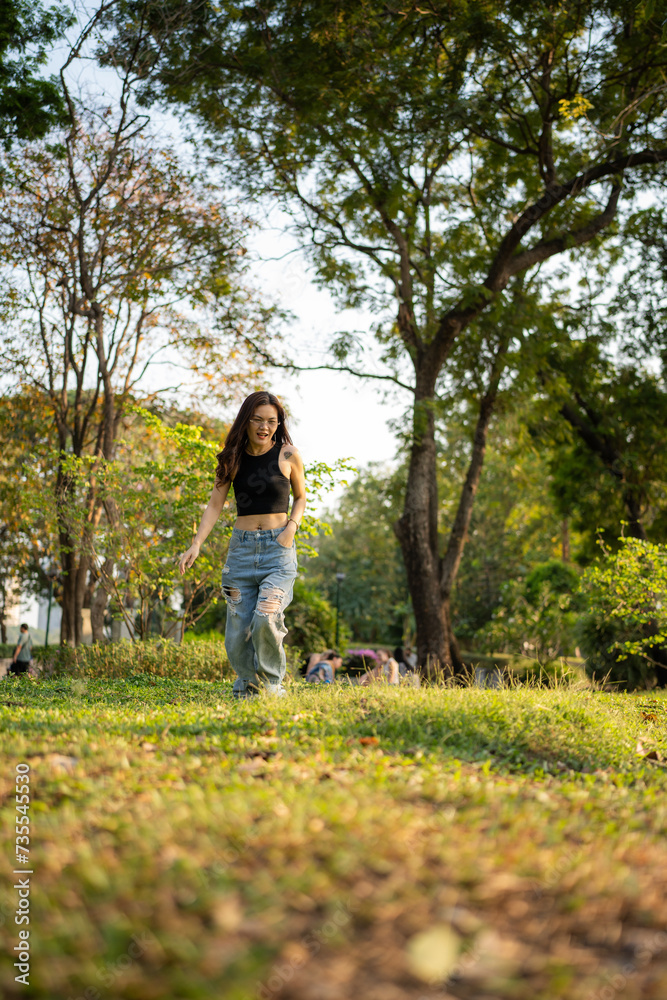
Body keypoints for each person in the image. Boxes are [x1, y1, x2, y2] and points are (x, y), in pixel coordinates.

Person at [179, 391, 306, 698]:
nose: (265, 427)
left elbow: (301, 497)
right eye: (258, 420)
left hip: (278, 550)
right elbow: (214, 505)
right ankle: (247, 684)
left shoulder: (288, 455)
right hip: (242, 551)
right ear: (246, 421)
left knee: (266, 616)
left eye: (272, 421)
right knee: (238, 630)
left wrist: (291, 528)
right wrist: (196, 543)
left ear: (279, 423)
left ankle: (272, 684)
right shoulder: (232, 459)